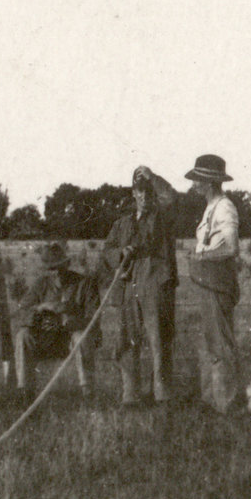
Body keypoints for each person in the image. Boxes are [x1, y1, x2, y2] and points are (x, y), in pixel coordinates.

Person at [100, 166, 179, 406]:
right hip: (128, 286)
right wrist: (120, 253)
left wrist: (152, 176)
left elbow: (171, 196)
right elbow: (107, 251)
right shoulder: (121, 223)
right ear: (133, 193)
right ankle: (130, 395)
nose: (144, 196)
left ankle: (162, 395)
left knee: (159, 340)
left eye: (148, 191)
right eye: (139, 191)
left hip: (155, 283)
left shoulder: (162, 216)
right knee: (126, 340)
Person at [186, 154, 242, 413]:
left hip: (218, 283)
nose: (194, 185)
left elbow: (230, 248)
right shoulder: (211, 207)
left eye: (198, 180)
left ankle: (226, 403)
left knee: (220, 344)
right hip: (207, 282)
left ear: (210, 183)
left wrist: (201, 256)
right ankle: (211, 400)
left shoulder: (225, 208)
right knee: (210, 343)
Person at [14, 243, 101, 401]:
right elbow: (22, 312)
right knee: (23, 335)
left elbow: (94, 318)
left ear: (67, 264)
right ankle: (25, 393)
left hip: (72, 340)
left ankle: (88, 392)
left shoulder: (85, 283)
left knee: (81, 336)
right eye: (51, 269)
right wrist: (41, 309)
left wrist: (68, 321)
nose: (57, 273)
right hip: (47, 339)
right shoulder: (41, 284)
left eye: (60, 267)